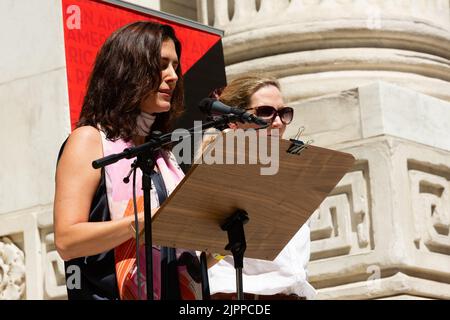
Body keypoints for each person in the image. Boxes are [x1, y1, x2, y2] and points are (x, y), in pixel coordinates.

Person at [54, 21, 203, 300]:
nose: (173, 76)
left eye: (175, 67)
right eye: (161, 65)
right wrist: (142, 223)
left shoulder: (162, 155)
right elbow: (66, 240)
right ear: (128, 70)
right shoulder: (88, 140)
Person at [205, 74, 317, 300]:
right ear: (233, 120)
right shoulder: (218, 169)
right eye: (265, 112)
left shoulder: (293, 172)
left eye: (284, 113)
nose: (277, 122)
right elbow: (205, 248)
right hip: (241, 296)